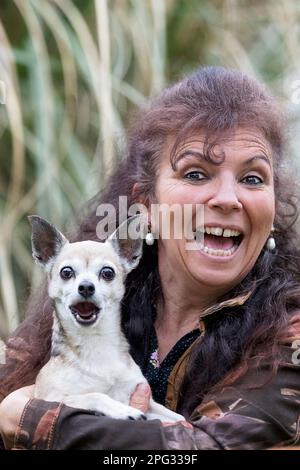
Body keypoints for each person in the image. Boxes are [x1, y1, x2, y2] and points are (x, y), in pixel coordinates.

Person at [0, 66, 300, 450]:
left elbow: (206, 449)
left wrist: (32, 419)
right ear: (147, 208)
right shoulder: (87, 299)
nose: (228, 198)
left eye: (253, 179)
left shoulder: (287, 337)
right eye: (196, 174)